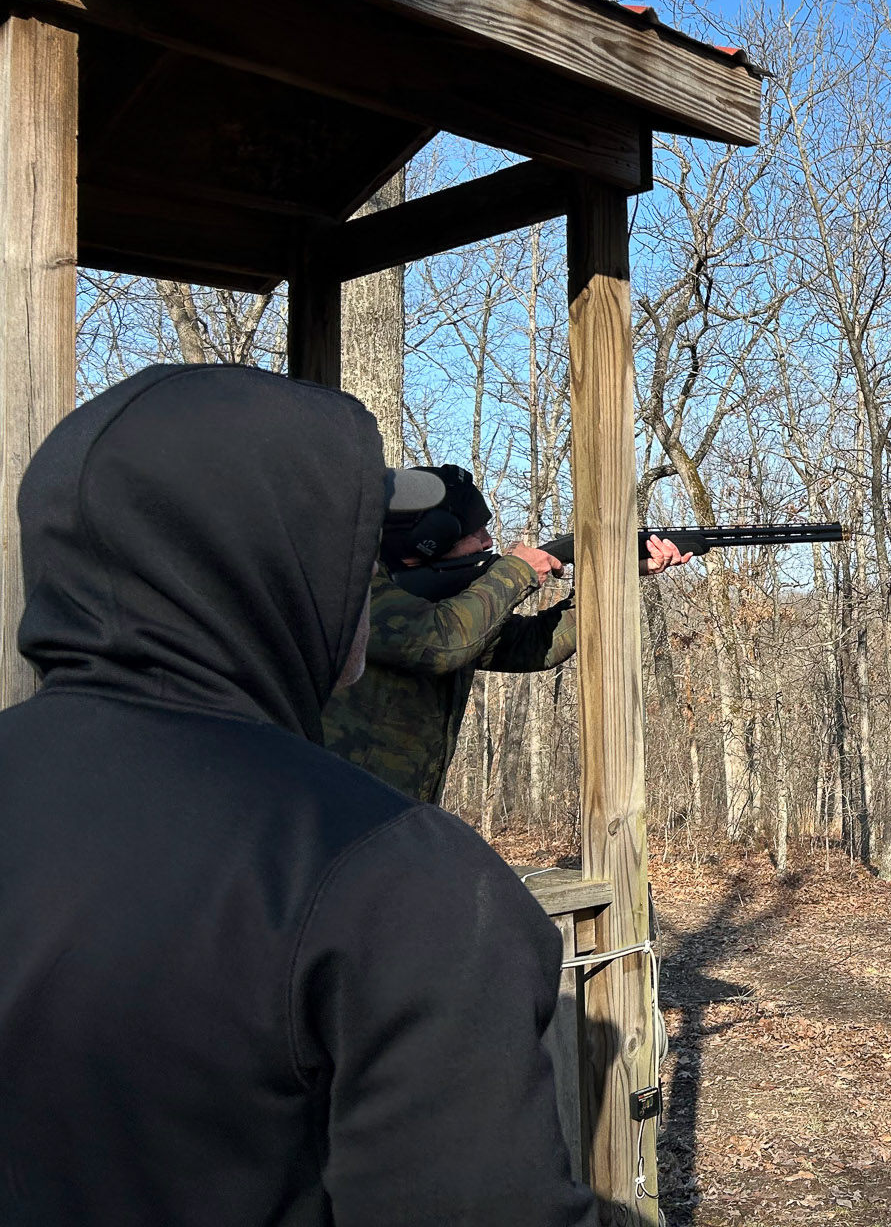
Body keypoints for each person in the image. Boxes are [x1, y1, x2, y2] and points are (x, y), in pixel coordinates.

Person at [0, 365, 594, 1225]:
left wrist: (613, 585)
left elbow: (520, 645)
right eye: (345, 547)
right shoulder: (401, 885)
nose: (361, 575)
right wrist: (520, 569)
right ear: (277, 564)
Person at [320, 463, 689, 803]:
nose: (487, 541)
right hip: (332, 810)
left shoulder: (440, 603)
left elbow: (535, 645)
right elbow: (441, 642)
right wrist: (517, 571)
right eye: (475, 532)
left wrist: (614, 575)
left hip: (395, 814)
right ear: (431, 536)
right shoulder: (351, 589)